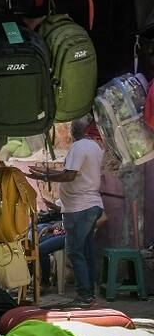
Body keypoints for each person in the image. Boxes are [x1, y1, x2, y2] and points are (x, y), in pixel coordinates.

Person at [27, 118, 104, 306]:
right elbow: (72, 173)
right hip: (89, 205)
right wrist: (45, 173)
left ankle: (85, 296)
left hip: (80, 207)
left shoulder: (79, 148)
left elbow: (70, 175)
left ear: (72, 131)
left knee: (75, 251)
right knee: (85, 251)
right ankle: (89, 293)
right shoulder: (94, 147)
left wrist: (44, 175)